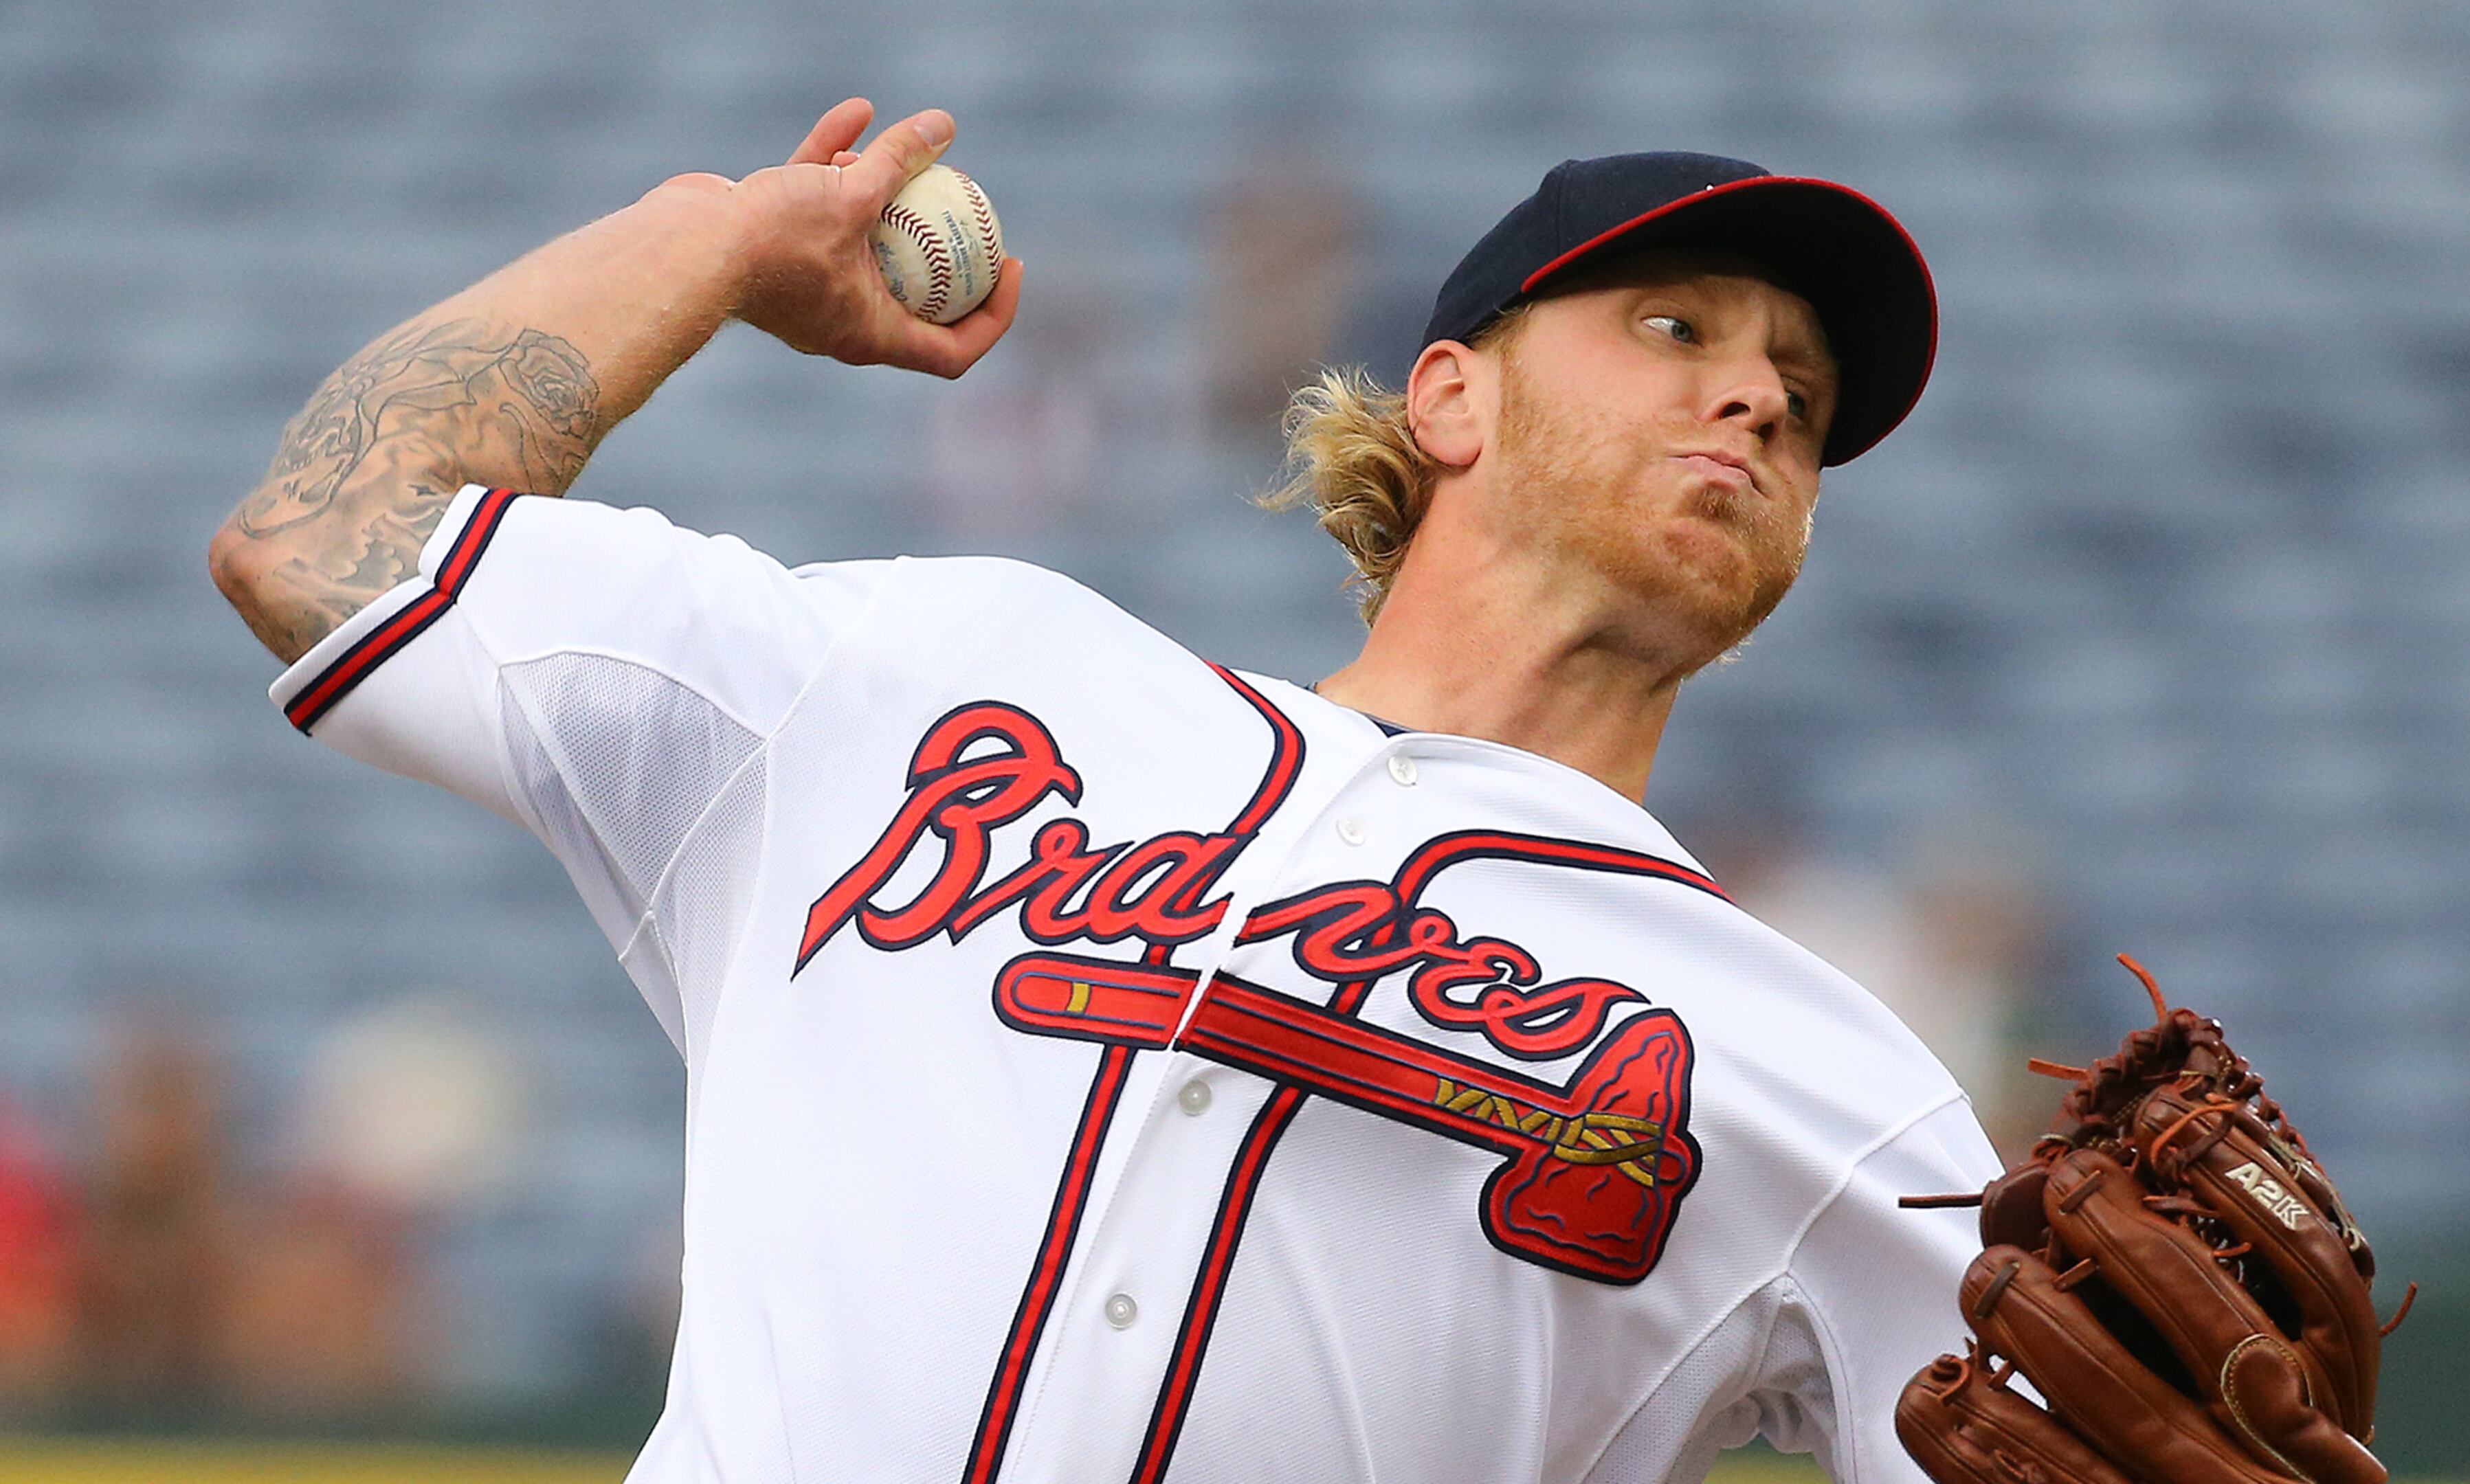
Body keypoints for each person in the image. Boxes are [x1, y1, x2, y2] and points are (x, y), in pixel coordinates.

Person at [210, 99, 1992, 1484]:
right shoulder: (945, 678)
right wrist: (720, 239)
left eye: (1808, 397)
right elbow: (324, 549)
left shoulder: (1824, 1081)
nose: (1760, 394)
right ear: (1449, 394)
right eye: (1679, 328)